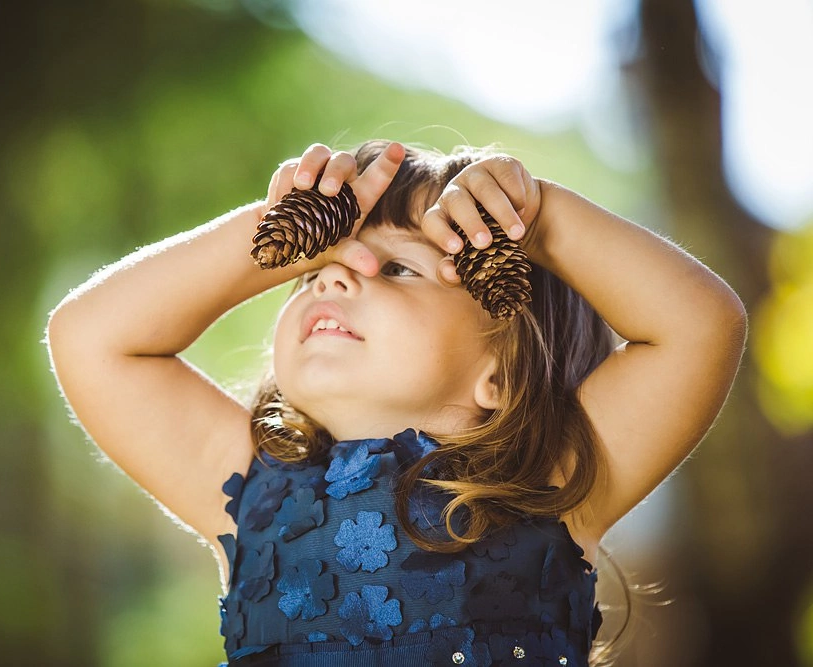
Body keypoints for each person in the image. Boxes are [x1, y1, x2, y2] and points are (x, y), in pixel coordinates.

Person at [44, 139, 747, 666]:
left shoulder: (553, 484)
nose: (332, 281)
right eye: (318, 268)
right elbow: (89, 337)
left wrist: (535, 217)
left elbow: (700, 326)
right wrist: (277, 233)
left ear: (500, 370)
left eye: (398, 268)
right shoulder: (247, 486)